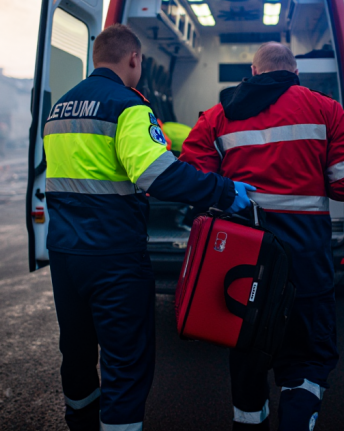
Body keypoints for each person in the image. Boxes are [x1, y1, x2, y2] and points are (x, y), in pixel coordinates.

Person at [42, 23, 255, 431]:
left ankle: (81, 422)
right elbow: (158, 175)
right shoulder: (128, 106)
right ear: (134, 59)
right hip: (113, 256)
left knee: (78, 350)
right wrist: (223, 191)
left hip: (66, 254)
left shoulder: (61, 108)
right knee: (126, 361)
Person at [180, 42, 344, 430]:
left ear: (253, 72)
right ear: (294, 73)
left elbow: (191, 179)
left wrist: (226, 191)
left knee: (248, 354)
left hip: (243, 261)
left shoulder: (217, 115)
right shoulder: (326, 109)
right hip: (305, 261)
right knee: (305, 360)